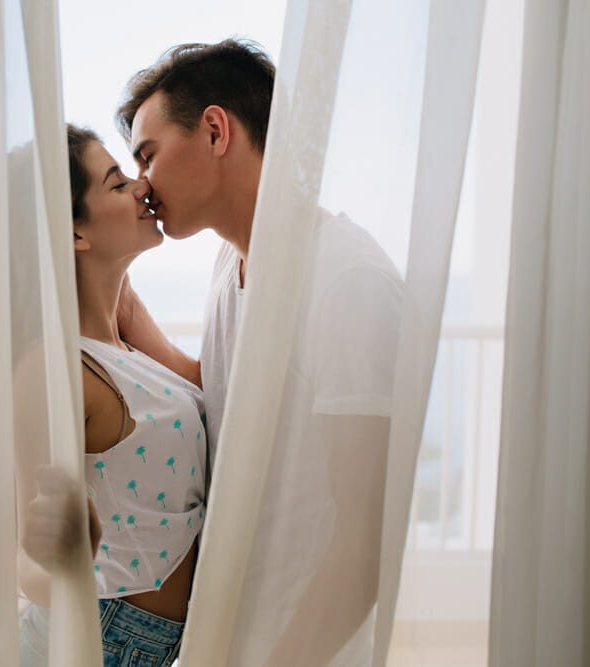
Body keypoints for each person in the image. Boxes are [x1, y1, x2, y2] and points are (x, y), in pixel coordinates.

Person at [114, 39, 404, 666]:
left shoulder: (347, 280)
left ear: (216, 129)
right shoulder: (234, 260)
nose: (141, 182)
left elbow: (366, 540)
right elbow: (231, 397)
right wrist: (126, 309)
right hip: (226, 630)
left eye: (148, 154)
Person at [15, 125, 207, 667]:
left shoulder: (121, 335)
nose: (143, 187)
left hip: (140, 643)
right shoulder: (49, 368)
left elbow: (206, 387)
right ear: (76, 235)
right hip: (96, 640)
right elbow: (22, 564)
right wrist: (60, 558)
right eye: (118, 183)